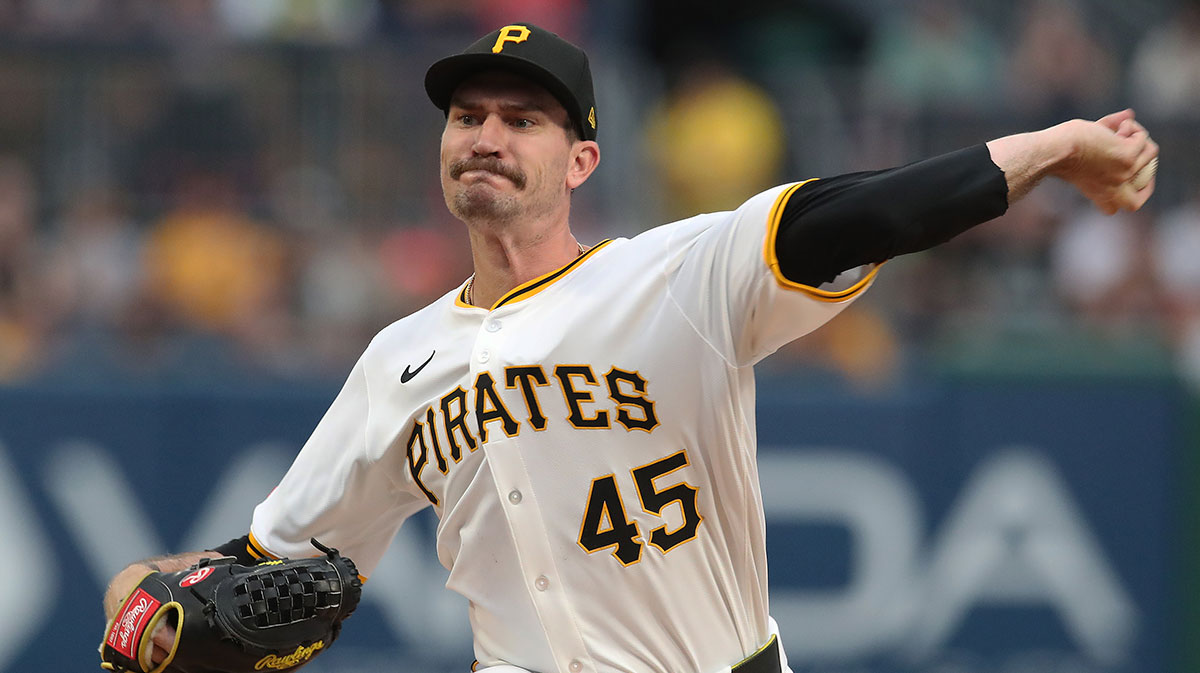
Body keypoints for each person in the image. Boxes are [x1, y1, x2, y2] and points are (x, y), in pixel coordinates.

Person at [101, 23, 1158, 673]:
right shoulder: (397, 362)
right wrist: (140, 602)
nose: (486, 135)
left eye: (524, 120)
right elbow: (262, 574)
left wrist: (1055, 146)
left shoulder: (678, 274)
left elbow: (870, 212)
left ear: (582, 160)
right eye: (467, 115)